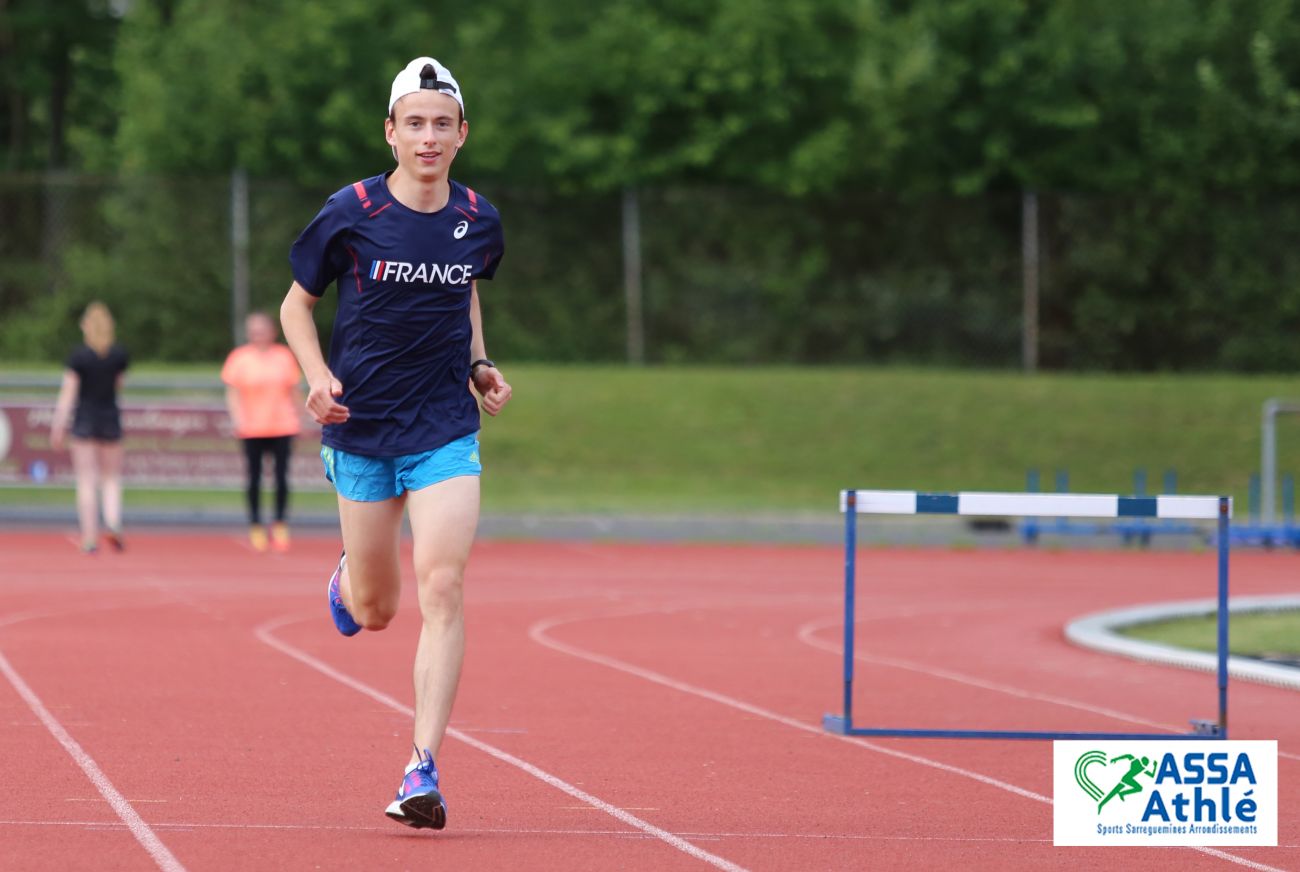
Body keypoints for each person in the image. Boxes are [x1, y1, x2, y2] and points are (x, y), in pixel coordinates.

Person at [279, 56, 510, 831]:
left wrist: (478, 364)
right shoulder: (351, 210)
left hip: (444, 428)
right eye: (414, 123)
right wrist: (316, 377)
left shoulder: (478, 218)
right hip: (362, 431)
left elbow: (466, 285)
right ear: (391, 131)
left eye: (442, 124)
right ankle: (350, 576)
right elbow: (293, 307)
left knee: (443, 586)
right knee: (378, 611)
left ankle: (421, 766)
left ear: (461, 134)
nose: (428, 136)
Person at [50, 301, 129, 553]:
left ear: (86, 326)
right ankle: (113, 523)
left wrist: (58, 424)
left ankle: (89, 536)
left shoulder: (79, 357)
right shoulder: (118, 355)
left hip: (85, 418)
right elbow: (119, 385)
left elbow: (68, 394)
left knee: (86, 480)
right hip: (110, 417)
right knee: (111, 478)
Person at [221, 311, 304, 552]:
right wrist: (238, 420)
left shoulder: (284, 356)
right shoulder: (239, 358)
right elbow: (233, 392)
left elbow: (294, 390)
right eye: (253, 330)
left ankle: (279, 522)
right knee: (254, 477)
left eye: (262, 330)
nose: (258, 335)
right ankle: (256, 524)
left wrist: (300, 419)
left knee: (281, 477)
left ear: (272, 332)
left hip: (283, 425)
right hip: (252, 428)